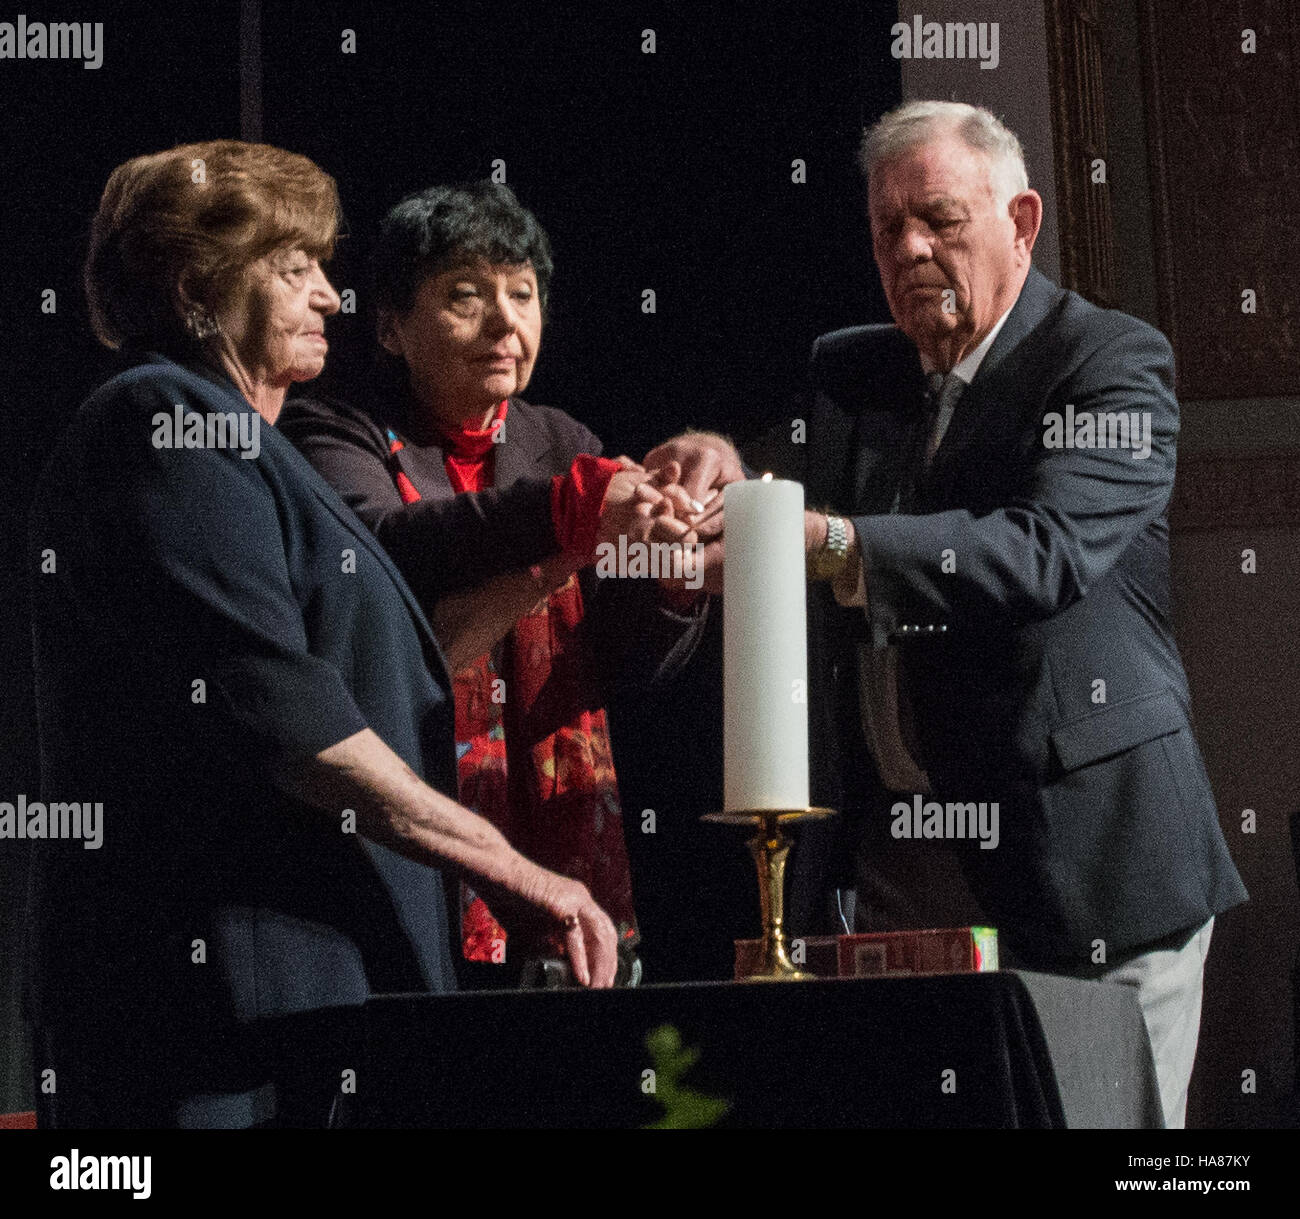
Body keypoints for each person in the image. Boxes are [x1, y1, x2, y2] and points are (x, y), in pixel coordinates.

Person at [25, 141, 688, 1128]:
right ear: (199, 284)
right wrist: (509, 866)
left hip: (312, 1000)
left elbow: (402, 666)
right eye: (295, 268)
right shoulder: (163, 420)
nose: (330, 297)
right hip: (213, 1020)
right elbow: (288, 720)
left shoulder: (254, 451)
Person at [752, 101, 1247, 1128]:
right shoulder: (856, 370)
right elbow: (773, 483)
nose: (910, 248)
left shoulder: (1109, 361)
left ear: (1020, 220)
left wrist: (838, 544)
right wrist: (713, 475)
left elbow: (1045, 550)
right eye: (887, 229)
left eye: (939, 218)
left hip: (1089, 863)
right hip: (906, 871)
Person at [280, 182, 740, 985]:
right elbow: (390, 555)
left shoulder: (557, 437)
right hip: (412, 829)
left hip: (561, 839)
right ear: (389, 325)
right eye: (467, 296)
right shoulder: (336, 426)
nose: (506, 322)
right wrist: (569, 516)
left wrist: (671, 575)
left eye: (523, 294)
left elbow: (620, 662)